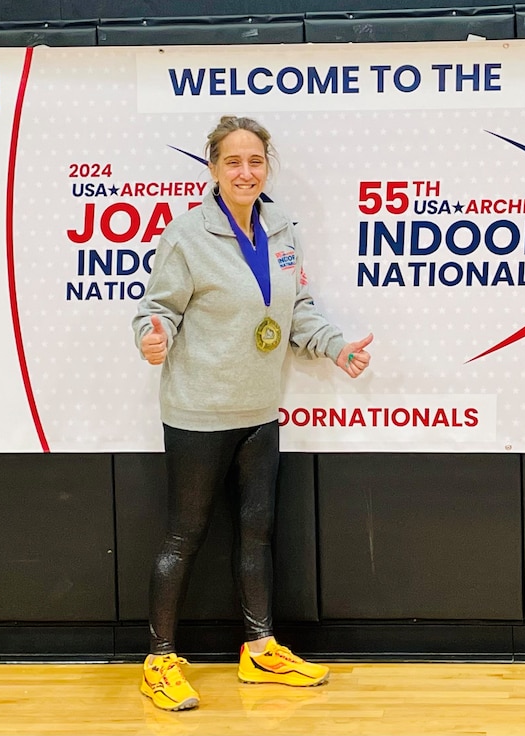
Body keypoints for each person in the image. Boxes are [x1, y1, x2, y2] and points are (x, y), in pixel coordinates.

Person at [132, 115, 372, 711]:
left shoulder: (283, 230)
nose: (245, 172)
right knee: (184, 537)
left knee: (257, 535)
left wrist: (336, 347)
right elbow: (155, 309)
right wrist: (153, 334)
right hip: (198, 413)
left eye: (255, 161)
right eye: (233, 161)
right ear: (212, 168)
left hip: (261, 412)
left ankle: (259, 650)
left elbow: (298, 309)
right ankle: (159, 660)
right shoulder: (187, 235)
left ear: (268, 167)